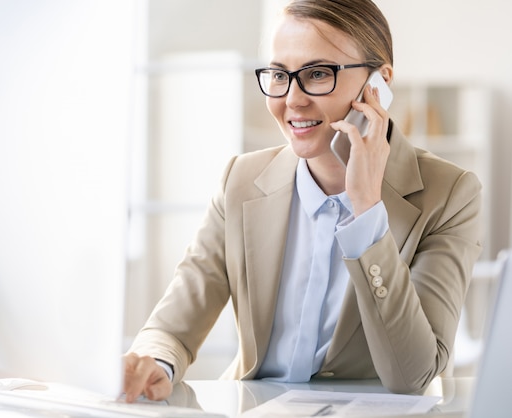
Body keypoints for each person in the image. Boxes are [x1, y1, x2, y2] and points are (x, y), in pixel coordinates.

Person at [123, 0, 482, 403]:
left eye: (316, 74)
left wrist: (366, 211)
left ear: (379, 84)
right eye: (279, 75)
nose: (292, 99)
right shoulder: (240, 181)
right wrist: (156, 361)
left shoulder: (450, 194)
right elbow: (173, 324)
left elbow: (412, 373)